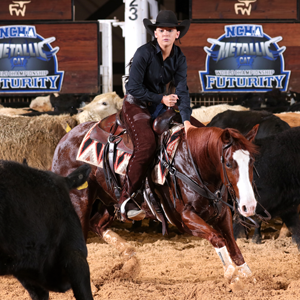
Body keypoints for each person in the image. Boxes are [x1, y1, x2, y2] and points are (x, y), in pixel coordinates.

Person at [119, 10, 195, 222]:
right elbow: (132, 87)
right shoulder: (144, 53)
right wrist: (161, 98)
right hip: (136, 105)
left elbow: (182, 91)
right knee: (146, 145)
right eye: (161, 30)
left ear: (177, 34)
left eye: (170, 30)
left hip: (159, 105)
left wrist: (187, 121)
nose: (165, 34)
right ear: (155, 33)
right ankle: (127, 199)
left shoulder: (179, 58)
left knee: (192, 132)